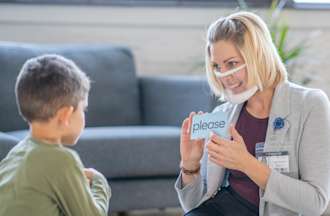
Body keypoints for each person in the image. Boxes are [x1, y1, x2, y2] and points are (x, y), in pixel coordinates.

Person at [175, 11, 330, 216]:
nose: (224, 77)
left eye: (232, 63)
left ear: (258, 56)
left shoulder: (310, 104)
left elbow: (316, 203)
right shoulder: (221, 114)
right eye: (216, 66)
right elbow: (193, 206)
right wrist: (190, 165)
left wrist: (246, 164)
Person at [0, 54, 111, 216]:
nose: (84, 115)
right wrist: (99, 181)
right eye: (83, 109)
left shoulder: (17, 152)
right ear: (65, 115)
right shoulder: (61, 159)